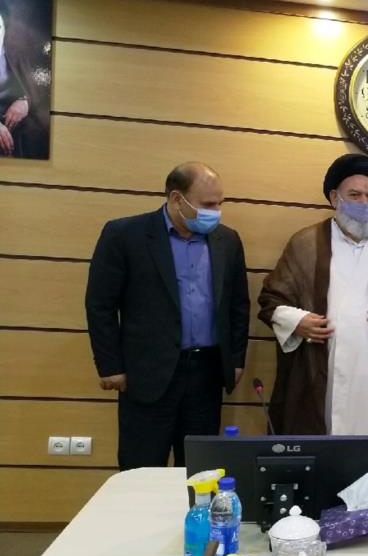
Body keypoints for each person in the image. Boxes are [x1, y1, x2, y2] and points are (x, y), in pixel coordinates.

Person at [258, 154, 368, 464]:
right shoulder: (305, 243)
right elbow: (270, 300)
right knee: (319, 448)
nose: (364, 203)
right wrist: (298, 321)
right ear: (334, 197)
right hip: (319, 367)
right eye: (355, 195)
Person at [85, 162, 250, 470]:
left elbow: (238, 304)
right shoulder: (124, 235)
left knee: (201, 470)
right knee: (141, 467)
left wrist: (236, 359)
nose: (216, 212)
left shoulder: (227, 241)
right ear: (177, 199)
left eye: (220, 203)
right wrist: (110, 366)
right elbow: (100, 305)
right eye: (208, 204)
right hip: (147, 375)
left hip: (206, 374)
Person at [0, 0, 48, 159]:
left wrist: (25, 101)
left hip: (16, 124)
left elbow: (41, 88)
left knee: (38, 131)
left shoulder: (17, 57)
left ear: (5, 28)